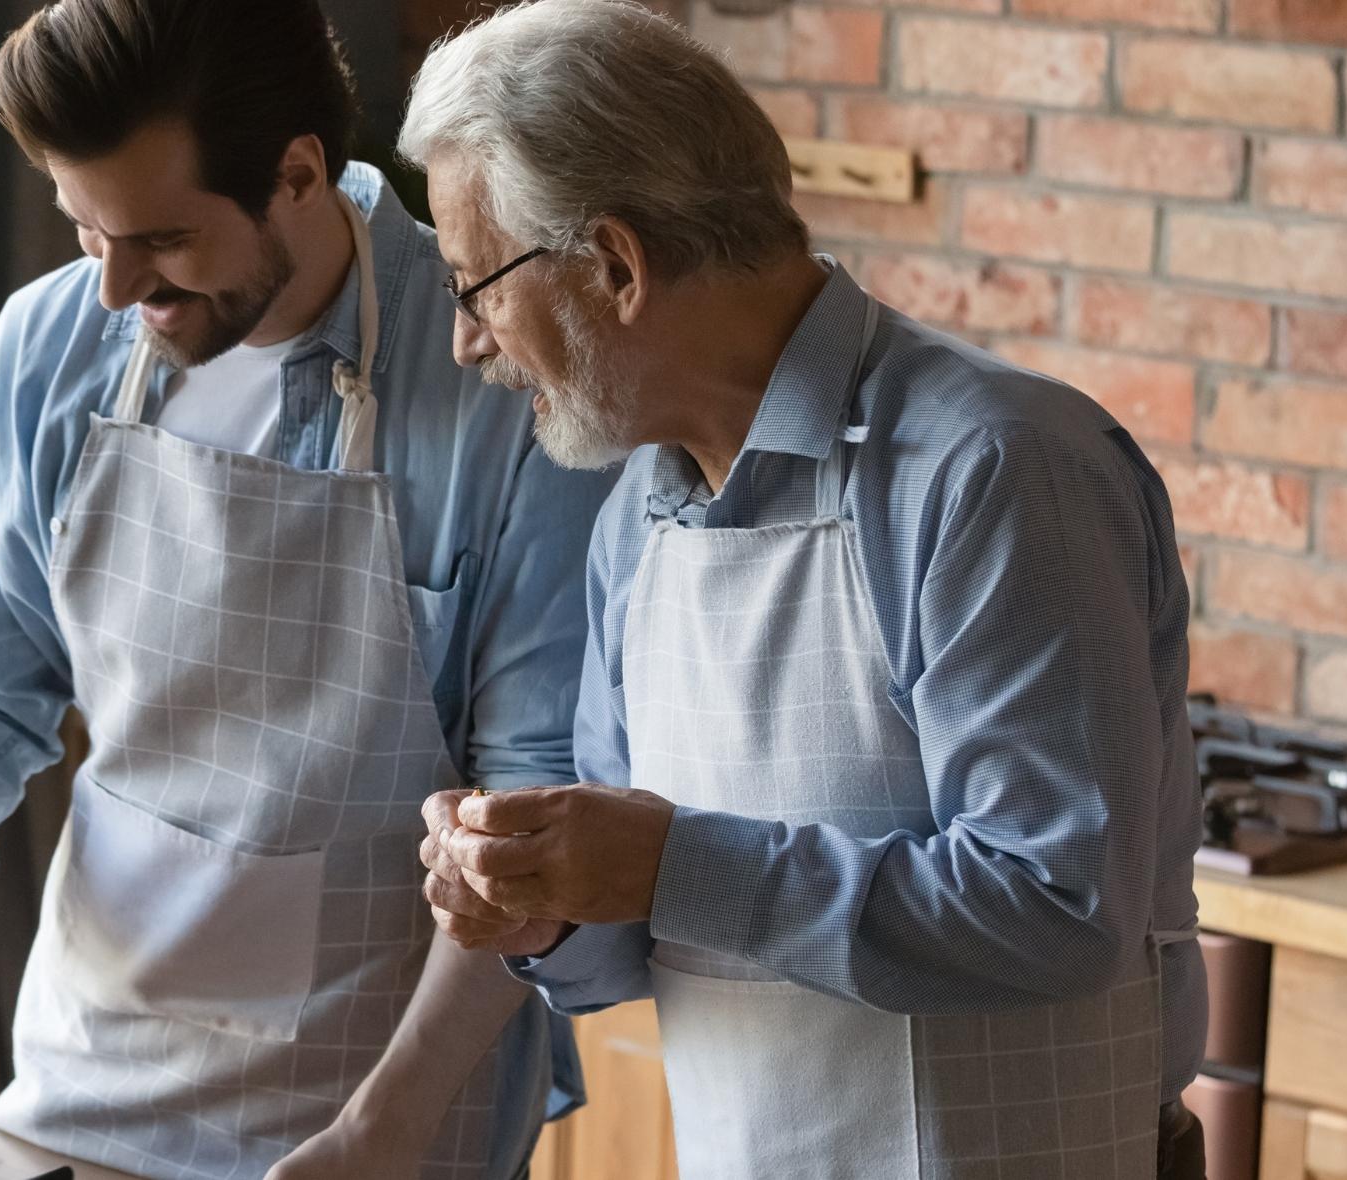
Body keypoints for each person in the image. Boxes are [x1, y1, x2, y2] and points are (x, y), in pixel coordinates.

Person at [0, 2, 612, 1176]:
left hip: (374, 1102)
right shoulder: (46, 348)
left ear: (295, 172)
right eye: (87, 232)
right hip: (85, 1071)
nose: (119, 287)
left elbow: (527, 813)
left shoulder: (497, 379)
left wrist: (387, 1129)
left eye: (164, 240)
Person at [402, 3, 1209, 1176]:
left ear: (615, 265)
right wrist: (543, 905)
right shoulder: (636, 511)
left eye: (476, 283)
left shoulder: (991, 468)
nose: (469, 341)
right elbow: (634, 934)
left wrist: (671, 864)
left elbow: (1056, 904)